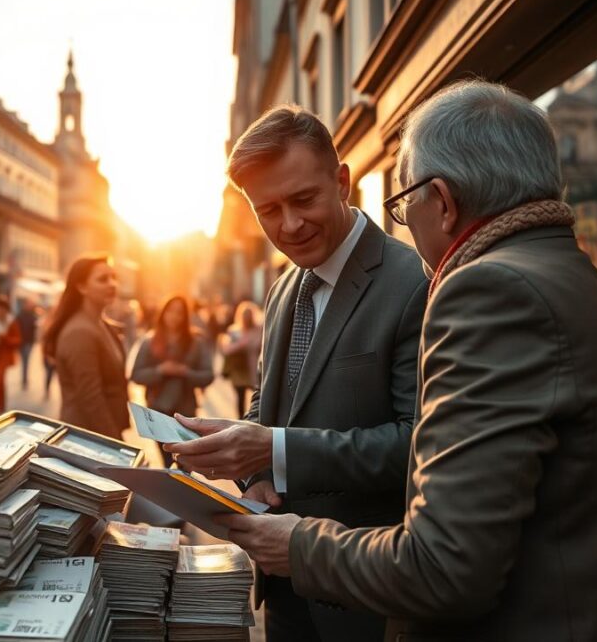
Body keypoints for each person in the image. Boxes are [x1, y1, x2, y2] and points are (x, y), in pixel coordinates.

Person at [216, 81, 597, 640]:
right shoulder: (567, 270)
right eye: (269, 210)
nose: (290, 224)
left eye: (405, 203)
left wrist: (297, 544)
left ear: (441, 201)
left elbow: (445, 564)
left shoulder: (487, 291)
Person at [164, 104, 428, 641]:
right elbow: (268, 406)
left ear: (342, 182)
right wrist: (248, 469)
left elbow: (417, 445)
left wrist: (272, 449)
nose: (289, 225)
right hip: (282, 590)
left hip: (365, 599)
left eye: (304, 200)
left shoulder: (413, 282)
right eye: (268, 210)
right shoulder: (283, 288)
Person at [42, 254, 128, 440]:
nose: (112, 284)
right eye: (102, 279)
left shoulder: (103, 325)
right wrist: (115, 442)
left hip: (103, 432)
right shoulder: (79, 332)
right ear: (81, 287)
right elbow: (91, 398)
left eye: (113, 277)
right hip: (87, 437)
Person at [131, 295, 215, 466]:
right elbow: (136, 375)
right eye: (170, 311)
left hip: (185, 413)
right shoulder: (149, 341)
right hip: (157, 410)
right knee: (167, 460)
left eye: (180, 312)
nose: (174, 316)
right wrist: (160, 370)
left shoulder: (196, 342)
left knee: (186, 462)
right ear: (163, 313)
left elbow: (208, 375)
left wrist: (186, 373)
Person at [220, 301, 262, 417]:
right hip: (239, 370)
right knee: (240, 397)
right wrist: (240, 344)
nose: (247, 318)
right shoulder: (234, 331)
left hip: (255, 370)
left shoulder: (259, 330)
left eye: (249, 315)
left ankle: (255, 418)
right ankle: (241, 419)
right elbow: (226, 349)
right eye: (245, 315)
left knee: (258, 397)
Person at [14, 298, 38, 391]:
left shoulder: (32, 315)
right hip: (22, 342)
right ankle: (24, 379)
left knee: (26, 361)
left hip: (28, 342)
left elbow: (34, 328)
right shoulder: (20, 315)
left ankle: (25, 379)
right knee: (24, 361)